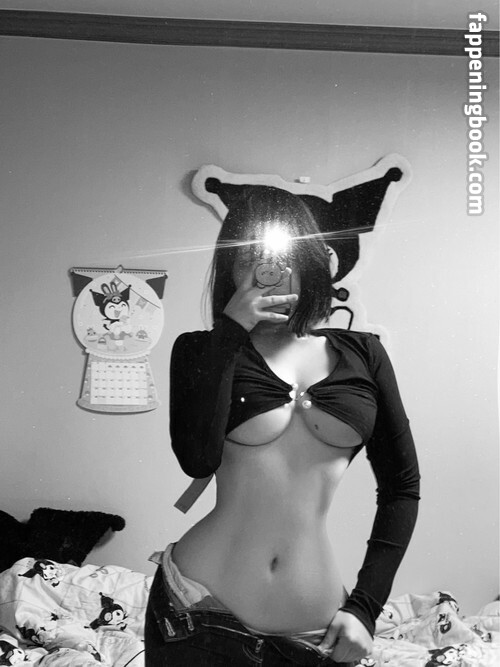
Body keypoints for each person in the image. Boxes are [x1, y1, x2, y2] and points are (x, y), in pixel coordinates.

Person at [145, 187, 420, 666]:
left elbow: (402, 488)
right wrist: (229, 333)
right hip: (196, 610)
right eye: (248, 259)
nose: (268, 273)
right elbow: (197, 459)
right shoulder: (199, 350)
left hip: (313, 631)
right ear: (229, 269)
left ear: (311, 263)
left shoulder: (365, 354)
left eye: (283, 258)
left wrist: (366, 607)